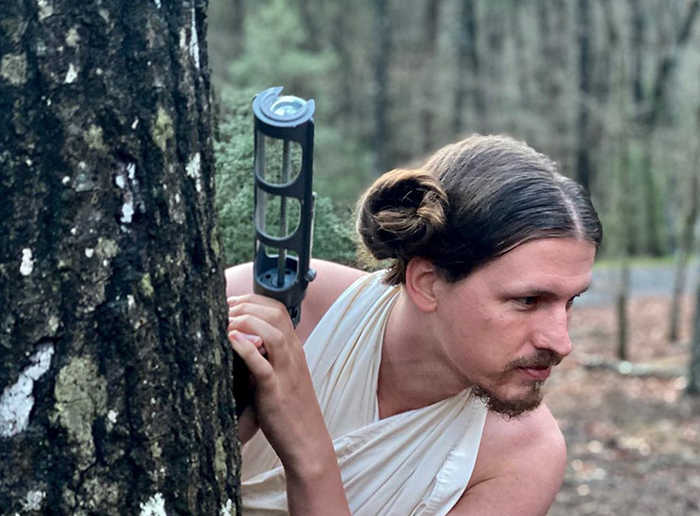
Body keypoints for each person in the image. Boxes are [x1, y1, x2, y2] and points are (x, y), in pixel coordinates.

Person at [226, 134, 603, 516]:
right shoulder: (283, 307)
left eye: (570, 301)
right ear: (426, 283)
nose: (561, 342)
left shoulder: (525, 457)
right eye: (528, 300)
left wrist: (309, 456)